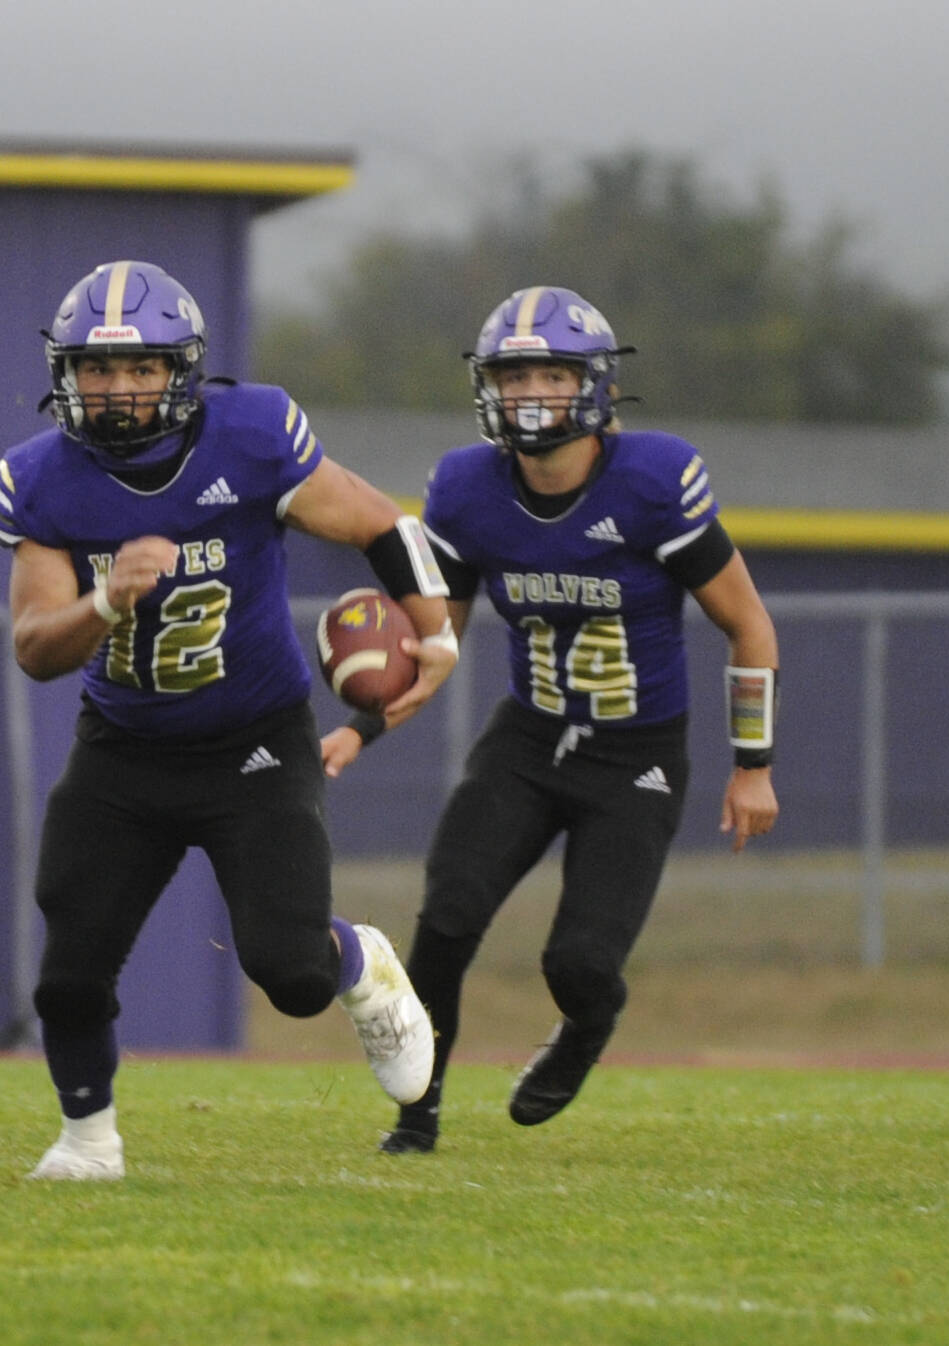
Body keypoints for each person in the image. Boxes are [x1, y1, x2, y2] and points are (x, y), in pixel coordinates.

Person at [0, 259, 456, 1180]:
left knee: (288, 973)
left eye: (140, 368)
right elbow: (37, 649)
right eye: (97, 368)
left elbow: (374, 521)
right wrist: (105, 604)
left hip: (253, 741)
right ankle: (89, 1140)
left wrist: (434, 631)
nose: (118, 391)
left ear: (183, 370)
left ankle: (356, 961)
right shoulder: (40, 479)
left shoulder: (248, 435)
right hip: (123, 748)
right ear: (65, 375)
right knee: (71, 964)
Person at [327, 286, 780, 1155]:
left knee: (577, 965)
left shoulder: (651, 481)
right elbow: (438, 643)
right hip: (528, 741)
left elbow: (748, 623)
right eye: (514, 374)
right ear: (488, 388)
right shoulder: (467, 488)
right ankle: (417, 1116)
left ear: (593, 385)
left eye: (551, 373)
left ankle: (587, 1026)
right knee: (449, 917)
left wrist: (753, 764)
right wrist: (364, 723)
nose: (532, 392)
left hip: (635, 758)